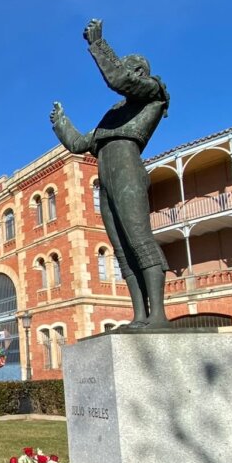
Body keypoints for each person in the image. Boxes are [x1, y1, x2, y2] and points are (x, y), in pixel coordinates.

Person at [50, 19, 171, 329]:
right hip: (107, 174)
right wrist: (61, 123)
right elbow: (80, 143)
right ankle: (140, 315)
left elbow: (117, 79)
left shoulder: (153, 92)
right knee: (121, 247)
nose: (125, 71)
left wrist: (98, 45)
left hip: (127, 166)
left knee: (139, 238)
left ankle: (157, 314)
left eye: (129, 68)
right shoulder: (114, 114)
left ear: (140, 74)